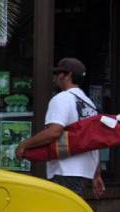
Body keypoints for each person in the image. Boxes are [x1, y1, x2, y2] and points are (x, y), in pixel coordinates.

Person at [16, 57, 105, 198]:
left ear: (68, 75)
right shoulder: (89, 104)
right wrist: (96, 173)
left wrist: (24, 145)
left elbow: (54, 132)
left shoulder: (62, 98)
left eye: (58, 73)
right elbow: (94, 141)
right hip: (84, 172)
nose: (55, 77)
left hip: (65, 170)